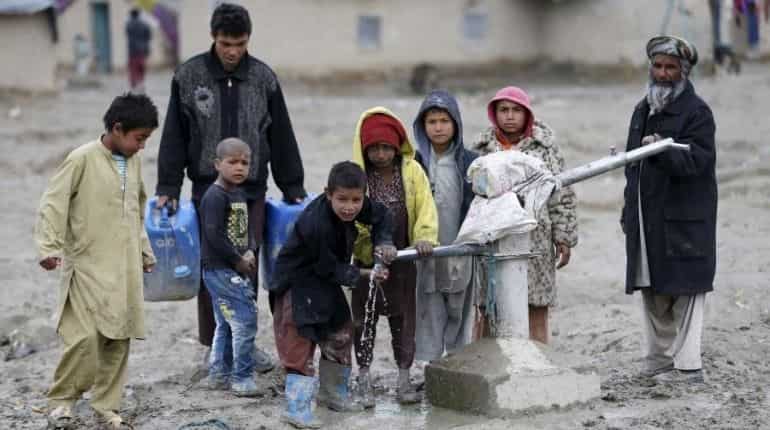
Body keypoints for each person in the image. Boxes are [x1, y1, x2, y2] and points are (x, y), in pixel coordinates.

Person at [156, 3, 306, 367]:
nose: (232, 51)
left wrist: (292, 184)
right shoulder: (188, 77)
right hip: (207, 192)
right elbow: (174, 136)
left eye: (239, 43)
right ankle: (213, 347)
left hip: (249, 193)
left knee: (245, 266)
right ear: (213, 38)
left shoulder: (263, 79)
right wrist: (167, 187)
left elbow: (281, 133)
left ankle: (243, 341)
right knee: (212, 268)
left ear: (247, 40)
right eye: (226, 43)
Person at [35, 93, 158, 429]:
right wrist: (49, 246)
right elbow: (53, 203)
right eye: (139, 138)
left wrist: (145, 251)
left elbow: (137, 210)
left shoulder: (133, 163)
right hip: (87, 265)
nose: (142, 146)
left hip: (124, 266)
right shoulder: (81, 159)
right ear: (117, 129)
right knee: (84, 338)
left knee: (119, 337)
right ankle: (62, 402)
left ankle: (106, 404)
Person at [271, 161, 396, 428]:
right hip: (298, 282)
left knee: (341, 330)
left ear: (364, 195)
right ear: (328, 194)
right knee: (300, 340)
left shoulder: (357, 207)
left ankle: (333, 395)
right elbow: (326, 267)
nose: (349, 207)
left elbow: (383, 216)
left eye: (356, 200)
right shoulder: (315, 224)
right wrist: (365, 274)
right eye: (342, 199)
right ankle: (296, 407)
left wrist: (384, 241)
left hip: (326, 279)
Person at [621, 36, 716, 383]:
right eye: (658, 66)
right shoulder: (642, 109)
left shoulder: (698, 113)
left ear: (684, 71)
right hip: (647, 220)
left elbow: (700, 162)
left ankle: (688, 366)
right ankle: (658, 361)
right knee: (652, 289)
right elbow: (631, 168)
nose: (662, 73)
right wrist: (628, 212)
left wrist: (662, 149)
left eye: (670, 67)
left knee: (687, 290)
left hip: (685, 221)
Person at [469, 86, 578, 345]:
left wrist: (563, 236)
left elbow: (561, 194)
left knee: (536, 303)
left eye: (516, 110)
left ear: (527, 113)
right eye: (503, 110)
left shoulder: (545, 148)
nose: (509, 116)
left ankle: (539, 359)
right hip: (493, 239)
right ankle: (485, 361)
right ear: (494, 114)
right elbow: (473, 195)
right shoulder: (482, 150)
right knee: (487, 305)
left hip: (536, 237)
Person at [351, 108, 438, 406]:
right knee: (363, 322)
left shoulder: (412, 171)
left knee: (403, 321)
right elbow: (350, 215)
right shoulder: (358, 176)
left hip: (403, 262)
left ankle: (404, 380)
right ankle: (363, 379)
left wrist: (424, 238)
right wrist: (369, 245)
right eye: (373, 148)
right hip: (366, 264)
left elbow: (426, 206)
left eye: (386, 147)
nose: (380, 154)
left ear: (397, 145)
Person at [412, 90, 478, 362]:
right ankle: (430, 367)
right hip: (425, 251)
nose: (438, 128)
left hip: (460, 248)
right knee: (428, 306)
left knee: (459, 308)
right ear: (422, 126)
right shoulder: (414, 165)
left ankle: (457, 365)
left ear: (456, 125)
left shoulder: (471, 163)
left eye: (444, 121)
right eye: (431, 122)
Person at [198, 138, 262, 396]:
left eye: (245, 162)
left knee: (225, 323)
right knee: (245, 321)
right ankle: (242, 378)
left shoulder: (237, 192)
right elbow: (214, 235)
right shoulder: (214, 196)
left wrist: (249, 249)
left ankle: (219, 374)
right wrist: (237, 260)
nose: (239, 167)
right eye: (232, 162)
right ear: (217, 164)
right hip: (220, 269)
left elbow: (242, 229)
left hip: (233, 268)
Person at [125, 8, 152, 91]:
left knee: (133, 68)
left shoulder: (129, 25)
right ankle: (141, 82)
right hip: (142, 50)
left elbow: (127, 35)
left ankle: (134, 84)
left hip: (132, 50)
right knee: (141, 67)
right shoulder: (144, 25)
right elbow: (149, 37)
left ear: (131, 15)